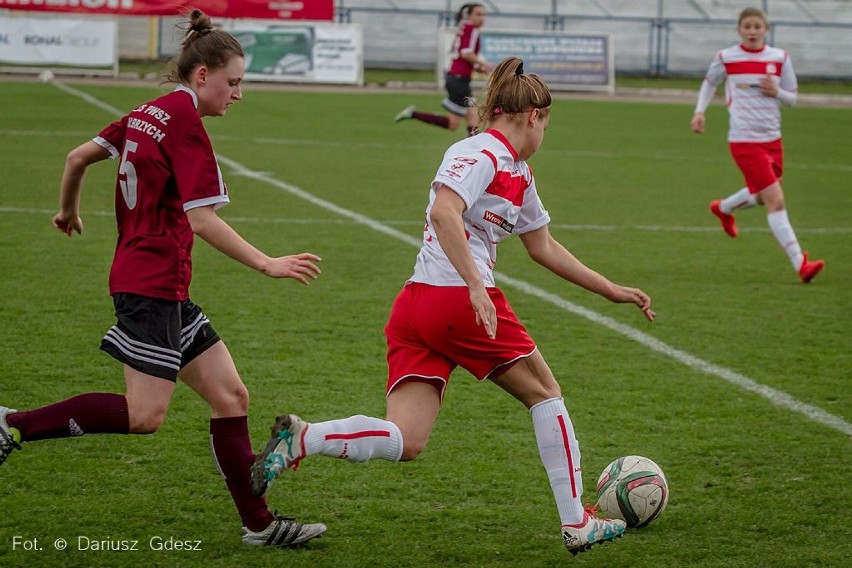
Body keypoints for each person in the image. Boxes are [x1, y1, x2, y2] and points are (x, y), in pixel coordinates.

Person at [251, 56, 656, 556]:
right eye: (547, 123)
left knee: (407, 438)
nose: (544, 133)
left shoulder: (519, 173)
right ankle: (577, 522)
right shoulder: (480, 152)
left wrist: (612, 289)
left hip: (417, 307)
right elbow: (445, 212)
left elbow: (543, 247)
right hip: (456, 300)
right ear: (532, 116)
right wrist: (475, 285)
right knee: (546, 394)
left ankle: (304, 439)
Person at [0, 10, 326, 548]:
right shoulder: (186, 126)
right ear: (203, 76)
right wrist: (267, 262)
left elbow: (77, 156)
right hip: (150, 282)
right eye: (234, 82)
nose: (238, 95)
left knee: (231, 396)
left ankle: (260, 525)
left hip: (160, 283)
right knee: (145, 415)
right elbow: (202, 220)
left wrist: (67, 210)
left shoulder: (148, 111)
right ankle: (15, 423)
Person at [690, 7, 824, 283]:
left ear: (766, 29)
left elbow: (793, 99)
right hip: (744, 141)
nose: (752, 31)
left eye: (757, 27)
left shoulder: (779, 58)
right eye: (747, 26)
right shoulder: (727, 57)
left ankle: (724, 208)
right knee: (775, 200)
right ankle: (802, 264)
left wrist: (777, 92)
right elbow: (709, 82)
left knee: (763, 195)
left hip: (773, 140)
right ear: (739, 30)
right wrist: (699, 112)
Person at [394, 3, 495, 137]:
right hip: (459, 81)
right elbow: (466, 53)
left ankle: (413, 113)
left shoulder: (464, 28)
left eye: (484, 15)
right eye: (478, 14)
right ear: (469, 16)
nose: (482, 18)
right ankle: (473, 150)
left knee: (453, 123)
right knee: (474, 115)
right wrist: (484, 64)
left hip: (455, 78)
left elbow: (461, 55)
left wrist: (477, 67)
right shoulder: (472, 29)